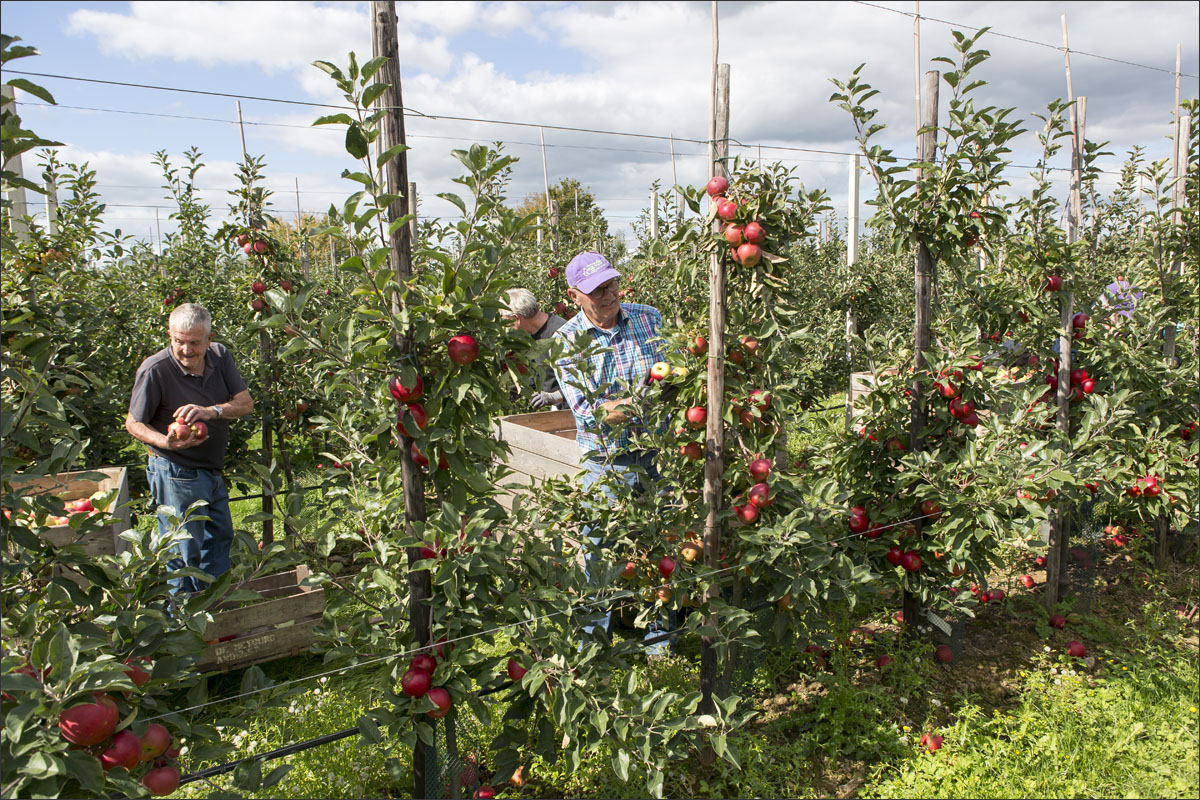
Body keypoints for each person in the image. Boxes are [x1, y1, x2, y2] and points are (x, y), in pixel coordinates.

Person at [551, 251, 673, 654]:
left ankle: (661, 645)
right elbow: (593, 413)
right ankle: (593, 650)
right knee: (599, 553)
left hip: (657, 453)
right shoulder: (567, 341)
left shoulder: (648, 318)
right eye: (597, 290)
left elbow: (674, 375)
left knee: (663, 546)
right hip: (607, 462)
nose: (609, 295)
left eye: (612, 284)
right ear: (574, 295)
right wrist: (647, 398)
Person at [125, 304, 253, 595]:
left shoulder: (219, 357)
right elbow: (133, 422)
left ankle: (213, 607)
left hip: (211, 470)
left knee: (219, 538)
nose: (185, 350)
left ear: (209, 340)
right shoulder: (156, 369)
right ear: (170, 335)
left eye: (194, 343)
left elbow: (245, 404)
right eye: (178, 341)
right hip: (175, 470)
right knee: (182, 548)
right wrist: (165, 442)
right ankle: (181, 614)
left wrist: (212, 411)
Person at [503, 287, 567, 409]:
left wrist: (555, 396)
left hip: (576, 411)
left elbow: (584, 379)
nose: (508, 327)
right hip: (558, 410)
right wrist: (520, 389)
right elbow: (541, 374)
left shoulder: (560, 333)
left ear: (516, 318)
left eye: (508, 322)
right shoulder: (532, 336)